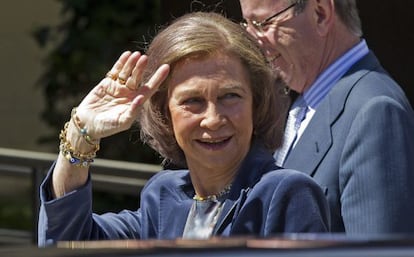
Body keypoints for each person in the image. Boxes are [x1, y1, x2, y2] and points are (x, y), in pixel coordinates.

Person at [37, 12, 330, 246]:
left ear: (256, 102)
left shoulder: (285, 193)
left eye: (230, 96)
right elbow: (67, 243)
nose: (213, 119)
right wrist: (81, 133)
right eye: (193, 101)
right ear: (165, 113)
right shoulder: (163, 196)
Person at [239, 0, 414, 234]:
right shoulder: (303, 105)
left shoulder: (375, 111)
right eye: (247, 25)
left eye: (262, 24)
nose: (253, 41)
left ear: (320, 14)